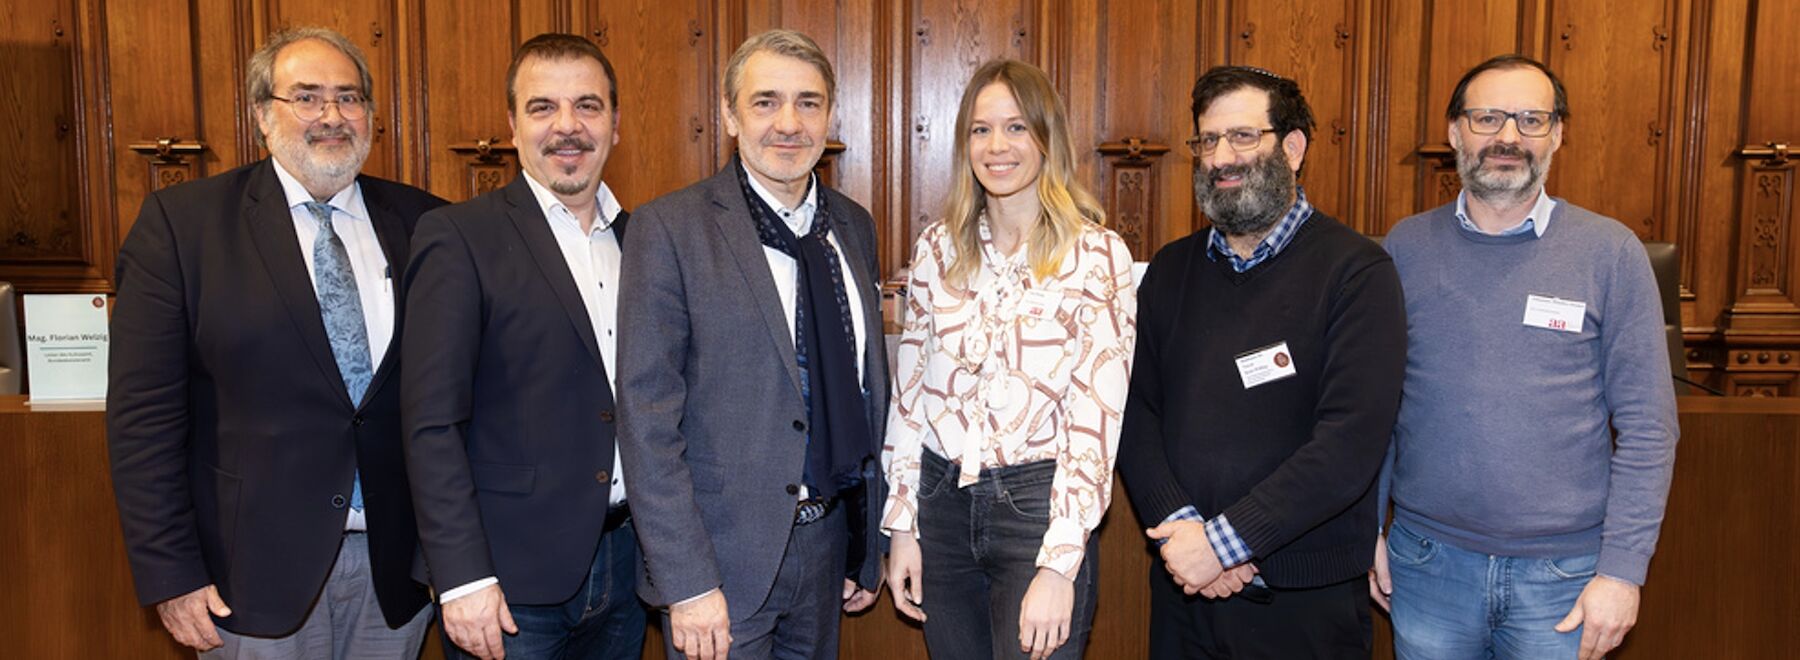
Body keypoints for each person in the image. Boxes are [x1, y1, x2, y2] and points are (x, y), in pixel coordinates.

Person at [108, 26, 445, 658]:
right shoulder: (182, 227)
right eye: (308, 97)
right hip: (247, 579)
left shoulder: (430, 223)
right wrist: (171, 573)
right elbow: (142, 422)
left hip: (396, 573)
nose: (331, 116)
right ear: (263, 114)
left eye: (349, 98)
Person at [1371, 54, 1680, 660]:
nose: (1508, 137)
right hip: (1427, 563)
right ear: (1455, 132)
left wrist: (1622, 572)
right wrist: (1366, 531)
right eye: (1487, 118)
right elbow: (1378, 407)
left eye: (1530, 119)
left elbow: (1648, 427)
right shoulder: (1403, 247)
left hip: (1565, 577)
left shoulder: (1610, 252)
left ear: (1558, 133)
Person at [1115, 65, 1406, 658]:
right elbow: (1134, 412)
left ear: (1292, 148)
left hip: (1304, 604)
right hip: (1184, 595)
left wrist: (1226, 544)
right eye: (1208, 140)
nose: (1221, 156)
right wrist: (1186, 536)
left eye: (1243, 137)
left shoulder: (1357, 273)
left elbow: (1349, 443)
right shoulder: (1169, 271)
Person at [615, 28, 886, 660]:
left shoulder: (852, 224)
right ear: (731, 115)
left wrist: (861, 543)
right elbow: (647, 420)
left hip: (825, 551)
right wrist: (686, 583)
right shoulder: (670, 228)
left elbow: (864, 391)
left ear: (829, 115)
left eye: (808, 102)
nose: (788, 123)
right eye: (765, 102)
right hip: (719, 564)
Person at [401, 33, 647, 660]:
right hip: (507, 584)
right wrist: (461, 575)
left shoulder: (645, 240)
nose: (568, 127)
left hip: (628, 567)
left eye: (588, 106)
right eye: (543, 108)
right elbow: (431, 424)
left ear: (615, 124)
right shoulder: (459, 237)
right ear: (512, 125)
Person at [879, 58, 1135, 660]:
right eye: (981, 129)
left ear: (1047, 137)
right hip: (940, 505)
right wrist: (901, 526)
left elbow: (1096, 422)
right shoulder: (937, 248)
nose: (998, 146)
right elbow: (909, 399)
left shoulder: (1098, 255)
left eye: (1017, 127)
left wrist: (1060, 564)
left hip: (1037, 511)